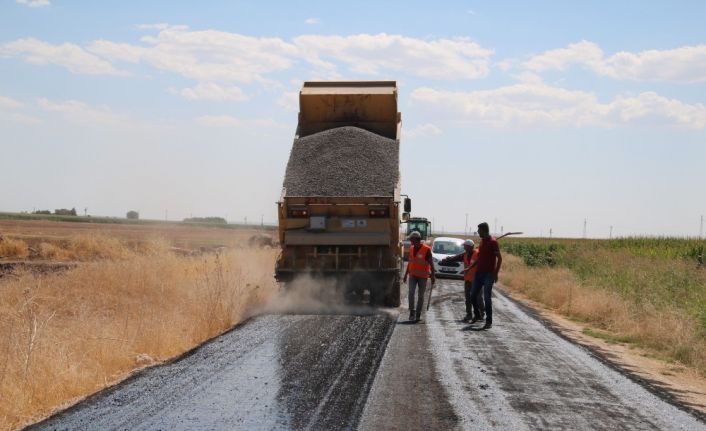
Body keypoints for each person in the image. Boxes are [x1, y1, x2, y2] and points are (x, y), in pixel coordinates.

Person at [439, 239, 484, 322]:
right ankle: (469, 314)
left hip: (477, 280)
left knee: (478, 298)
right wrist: (447, 259)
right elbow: (456, 257)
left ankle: (481, 313)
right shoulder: (465, 254)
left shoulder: (478, 254)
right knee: (468, 298)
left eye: (465, 246)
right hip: (467, 280)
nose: (464, 247)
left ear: (469, 247)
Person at [469, 222, 502, 329]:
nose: (478, 232)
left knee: (487, 298)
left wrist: (495, 274)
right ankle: (477, 315)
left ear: (484, 230)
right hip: (478, 273)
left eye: (479, 230)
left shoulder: (493, 242)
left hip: (488, 274)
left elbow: (499, 259)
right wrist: (470, 267)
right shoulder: (482, 242)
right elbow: (479, 258)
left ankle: (489, 321)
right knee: (472, 295)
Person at [402, 231, 436, 322]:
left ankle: (418, 314)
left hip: (423, 276)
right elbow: (410, 262)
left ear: (416, 239)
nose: (410, 241)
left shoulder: (426, 249)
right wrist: (405, 275)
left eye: (411, 239)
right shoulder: (412, 248)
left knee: (421, 296)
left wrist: (433, 275)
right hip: (412, 275)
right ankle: (412, 312)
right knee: (411, 293)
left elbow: (431, 264)